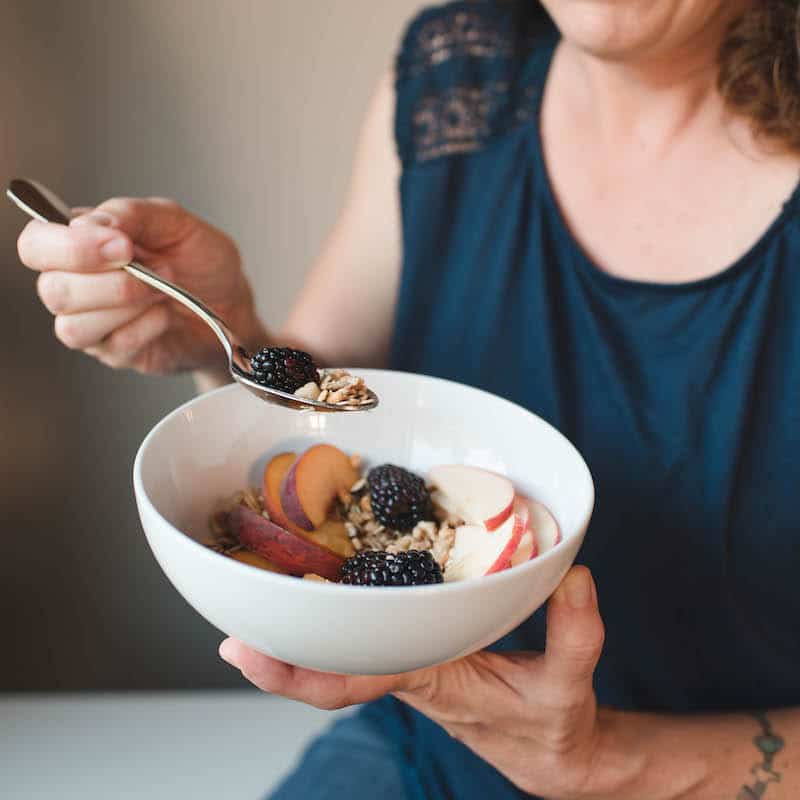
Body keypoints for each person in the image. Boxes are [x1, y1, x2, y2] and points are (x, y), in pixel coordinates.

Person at [16, 0, 800, 796]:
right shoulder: (453, 81)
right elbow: (329, 414)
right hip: (430, 752)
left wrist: (610, 765)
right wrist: (224, 332)